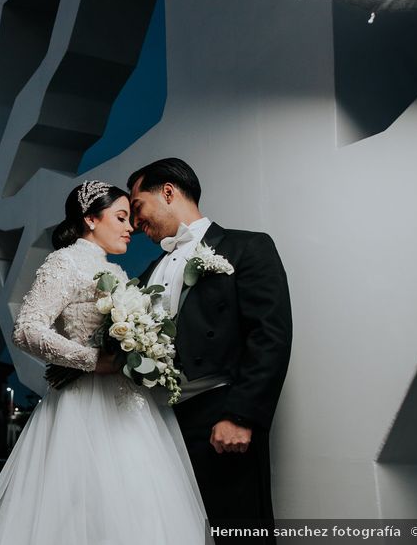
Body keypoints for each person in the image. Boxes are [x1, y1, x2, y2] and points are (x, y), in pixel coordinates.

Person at [0, 181, 210, 545]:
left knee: (137, 507)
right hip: (83, 407)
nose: (130, 227)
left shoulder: (114, 272)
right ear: (90, 218)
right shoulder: (65, 261)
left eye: (131, 218)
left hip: (129, 406)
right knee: (78, 510)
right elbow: (26, 329)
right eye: (120, 217)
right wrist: (92, 360)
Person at [128, 158, 292, 544]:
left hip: (219, 417)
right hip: (158, 425)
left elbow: (270, 335)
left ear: (168, 192)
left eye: (137, 208)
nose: (136, 225)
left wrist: (241, 415)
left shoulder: (247, 246)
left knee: (236, 531)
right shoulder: (149, 270)